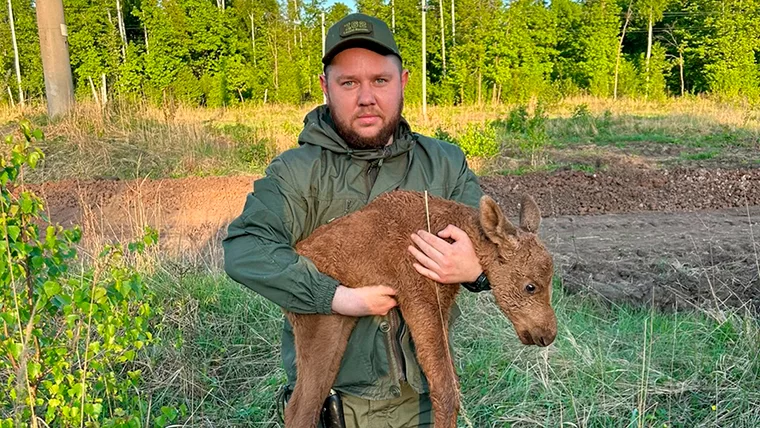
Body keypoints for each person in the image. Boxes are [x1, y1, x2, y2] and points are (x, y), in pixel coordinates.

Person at [223, 12, 492, 427]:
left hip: (423, 406)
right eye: (349, 83)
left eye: (380, 81)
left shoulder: (444, 163)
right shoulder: (297, 172)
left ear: (402, 82)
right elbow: (245, 248)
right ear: (325, 87)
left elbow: (494, 242)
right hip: (335, 409)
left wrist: (476, 269)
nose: (366, 97)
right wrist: (335, 297)